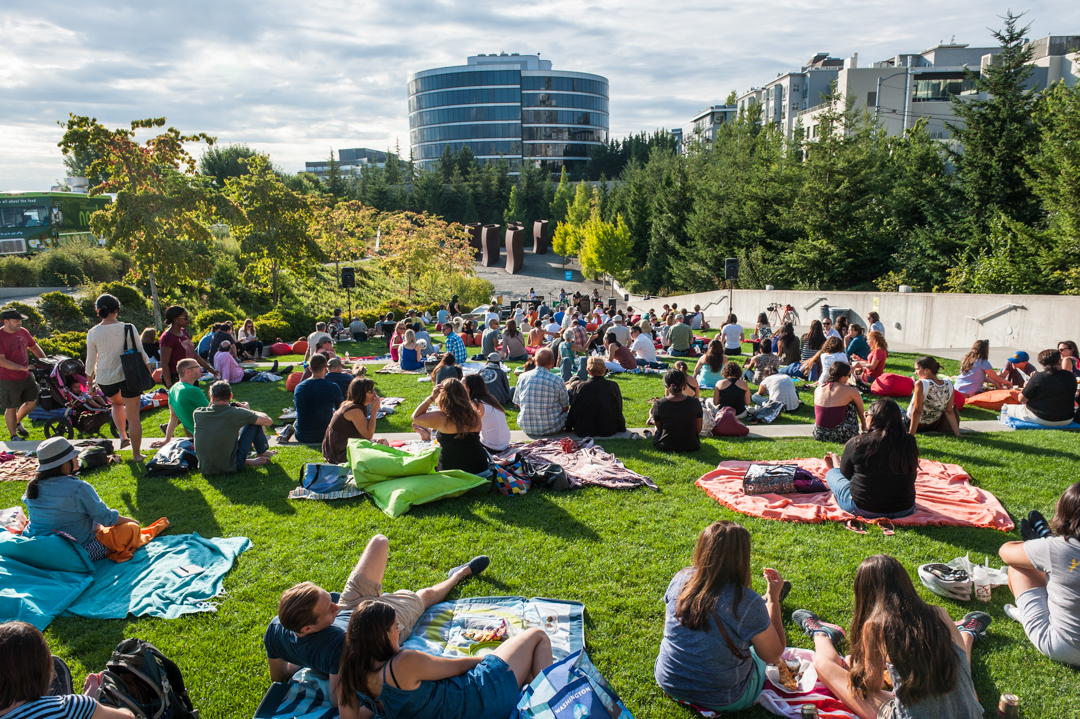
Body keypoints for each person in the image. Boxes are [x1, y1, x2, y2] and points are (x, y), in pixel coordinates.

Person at [265, 535, 490, 708]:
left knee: (379, 542)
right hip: (373, 624)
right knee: (425, 596)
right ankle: (460, 574)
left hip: (351, 604)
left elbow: (279, 675)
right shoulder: (336, 644)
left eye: (328, 597)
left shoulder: (275, 628)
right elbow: (338, 700)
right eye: (328, 609)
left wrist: (306, 658)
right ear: (306, 627)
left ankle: (374, 599)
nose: (335, 603)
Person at [798, 555, 988, 719]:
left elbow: (874, 684)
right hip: (968, 712)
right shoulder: (940, 613)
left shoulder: (875, 626)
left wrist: (856, 667)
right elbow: (961, 662)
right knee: (959, 669)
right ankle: (967, 632)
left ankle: (821, 634)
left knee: (824, 665)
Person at [336, 597, 551, 719]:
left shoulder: (351, 675)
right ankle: (545, 706)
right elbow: (459, 667)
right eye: (395, 627)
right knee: (537, 637)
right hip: (482, 700)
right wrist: (491, 659)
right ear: (382, 635)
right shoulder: (403, 663)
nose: (399, 631)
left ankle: (526, 692)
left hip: (467, 709)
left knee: (529, 670)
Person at [654, 521, 788, 714]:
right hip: (725, 698)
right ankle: (766, 602)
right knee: (759, 650)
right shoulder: (745, 602)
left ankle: (762, 608)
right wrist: (774, 600)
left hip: (669, 681)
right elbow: (773, 655)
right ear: (742, 557)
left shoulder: (681, 578)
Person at [999, 481, 1080, 668]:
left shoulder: (1061, 549)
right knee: (1065, 575)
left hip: (1064, 646)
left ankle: (1045, 538)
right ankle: (1044, 540)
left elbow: (1006, 552)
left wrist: (1043, 547)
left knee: (1018, 568)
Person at [21, 436, 139, 561]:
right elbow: (106, 518)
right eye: (74, 455)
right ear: (64, 463)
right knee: (131, 529)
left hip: (36, 548)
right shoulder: (79, 488)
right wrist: (132, 521)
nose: (78, 457)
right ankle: (102, 554)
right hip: (72, 553)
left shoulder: (33, 484)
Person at [0, 620, 138, 719]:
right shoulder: (66, 707)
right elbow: (128, 717)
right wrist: (94, 705)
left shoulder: (69, 707)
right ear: (43, 671)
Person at [822, 399, 918, 519]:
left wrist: (836, 464)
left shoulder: (857, 442)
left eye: (867, 414)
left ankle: (834, 464)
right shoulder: (909, 441)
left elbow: (845, 476)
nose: (865, 417)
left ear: (875, 418)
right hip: (904, 508)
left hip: (863, 508)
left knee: (832, 474)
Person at [85, 294, 153, 461]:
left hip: (105, 378)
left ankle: (123, 436)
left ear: (97, 311)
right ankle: (137, 455)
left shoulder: (93, 332)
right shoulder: (128, 327)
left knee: (116, 403)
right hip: (129, 375)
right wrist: (148, 373)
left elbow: (90, 361)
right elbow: (142, 354)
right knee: (134, 416)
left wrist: (89, 384)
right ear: (117, 310)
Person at [193, 380, 276, 475]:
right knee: (253, 423)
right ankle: (261, 452)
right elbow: (268, 421)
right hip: (231, 467)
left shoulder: (198, 413)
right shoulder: (236, 413)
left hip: (205, 468)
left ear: (212, 397)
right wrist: (249, 411)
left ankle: (249, 461)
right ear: (231, 396)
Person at [411, 379, 490, 475]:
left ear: (442, 396)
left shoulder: (441, 417)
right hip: (480, 468)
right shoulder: (475, 414)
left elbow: (415, 417)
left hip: (451, 470)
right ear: (464, 394)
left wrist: (431, 398)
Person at [0, 308, 45, 441]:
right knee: (11, 407)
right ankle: (13, 436)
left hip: (26, 375)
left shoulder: (23, 332)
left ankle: (17, 422)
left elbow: (34, 347)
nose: (19, 323)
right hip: (8, 378)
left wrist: (46, 362)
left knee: (32, 402)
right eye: (16, 321)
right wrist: (22, 368)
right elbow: (1, 361)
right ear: (6, 321)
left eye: (20, 320)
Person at [1003, 349, 1078, 427]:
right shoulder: (1070, 376)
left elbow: (1022, 399)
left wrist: (1027, 386)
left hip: (1041, 417)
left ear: (1041, 363)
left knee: (1006, 407)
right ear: (1059, 360)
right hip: (1067, 419)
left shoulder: (1038, 377)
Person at [322, 377, 388, 463]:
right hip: (340, 454)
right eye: (371, 391)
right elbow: (368, 435)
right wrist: (374, 411)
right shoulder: (354, 410)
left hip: (338, 449)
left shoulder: (352, 405)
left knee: (382, 443)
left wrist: (373, 441)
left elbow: (364, 435)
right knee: (384, 447)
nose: (375, 393)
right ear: (361, 393)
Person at [566, 357, 626, 438]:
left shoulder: (581, 386)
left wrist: (568, 427)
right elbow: (618, 407)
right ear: (604, 371)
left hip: (584, 429)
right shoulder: (613, 385)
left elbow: (573, 408)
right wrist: (622, 427)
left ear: (589, 371)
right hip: (608, 428)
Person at [514, 348, 568, 437]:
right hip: (552, 427)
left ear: (535, 361)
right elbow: (565, 408)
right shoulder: (557, 380)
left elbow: (517, 403)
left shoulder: (522, 377)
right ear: (552, 362)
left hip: (527, 426)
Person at [293, 354, 344, 444]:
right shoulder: (333, 387)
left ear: (310, 368)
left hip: (302, 435)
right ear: (325, 368)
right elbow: (340, 411)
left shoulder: (299, 387)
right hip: (326, 434)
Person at [649, 369, 702, 452]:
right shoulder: (695, 402)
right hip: (691, 445)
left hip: (665, 445)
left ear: (666, 386)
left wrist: (651, 417)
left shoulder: (659, 404)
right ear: (683, 384)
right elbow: (698, 430)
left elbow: (660, 428)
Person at [906, 356, 960, 436]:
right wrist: (958, 434)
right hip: (932, 425)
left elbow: (917, 411)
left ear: (926, 370)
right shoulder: (949, 384)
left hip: (913, 424)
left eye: (917, 369)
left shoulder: (921, 384)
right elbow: (949, 411)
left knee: (894, 407)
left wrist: (911, 434)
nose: (915, 372)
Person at [813, 362, 865, 443]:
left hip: (820, 433)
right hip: (842, 434)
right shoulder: (851, 391)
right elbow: (862, 414)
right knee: (851, 404)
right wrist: (865, 430)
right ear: (842, 378)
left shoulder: (818, 389)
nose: (849, 378)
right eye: (849, 375)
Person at [162, 359, 209, 443]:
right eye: (198, 367)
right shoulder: (192, 390)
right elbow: (214, 412)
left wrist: (166, 440)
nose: (201, 369)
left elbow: (173, 417)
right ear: (188, 371)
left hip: (196, 436)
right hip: (207, 436)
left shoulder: (173, 388)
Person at [462, 374, 511, 452]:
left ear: (468, 388)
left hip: (492, 446)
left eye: (462, 385)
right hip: (504, 444)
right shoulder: (490, 399)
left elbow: (469, 429)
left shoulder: (475, 404)